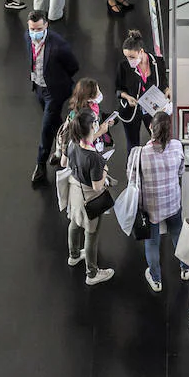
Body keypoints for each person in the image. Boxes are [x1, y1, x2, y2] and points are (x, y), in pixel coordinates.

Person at [133, 110, 189, 293]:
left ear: (151, 127)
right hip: (172, 201)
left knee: (152, 242)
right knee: (177, 233)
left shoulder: (140, 153)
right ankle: (186, 267)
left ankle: (156, 279)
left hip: (150, 207)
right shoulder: (177, 146)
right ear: (169, 130)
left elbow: (132, 180)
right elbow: (181, 171)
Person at [63, 108, 115, 286]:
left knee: (74, 223)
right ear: (91, 127)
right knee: (91, 234)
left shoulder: (72, 144)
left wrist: (100, 131)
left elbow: (66, 162)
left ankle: (74, 255)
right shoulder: (94, 158)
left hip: (75, 193)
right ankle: (92, 273)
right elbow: (97, 186)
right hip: (91, 199)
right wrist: (105, 168)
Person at [26, 9, 79, 185]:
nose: (35, 33)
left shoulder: (58, 45)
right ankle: (64, 146)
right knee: (55, 122)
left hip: (54, 92)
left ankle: (40, 165)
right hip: (39, 87)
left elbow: (73, 66)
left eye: (38, 28)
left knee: (46, 128)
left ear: (46, 25)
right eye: (32, 29)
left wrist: (58, 81)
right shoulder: (28, 37)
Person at [115, 29, 167, 151]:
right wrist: (127, 97)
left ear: (141, 52)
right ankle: (133, 168)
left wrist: (167, 89)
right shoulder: (123, 66)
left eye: (132, 57)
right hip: (132, 110)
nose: (129, 60)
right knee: (133, 145)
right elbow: (118, 89)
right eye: (126, 57)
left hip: (152, 108)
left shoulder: (158, 63)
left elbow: (163, 82)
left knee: (158, 140)